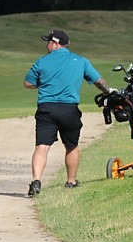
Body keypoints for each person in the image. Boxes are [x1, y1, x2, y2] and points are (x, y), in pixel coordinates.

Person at [23, 30, 115, 197]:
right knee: (71, 145)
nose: (46, 45)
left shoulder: (41, 61)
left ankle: (36, 181)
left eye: (48, 42)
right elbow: (99, 81)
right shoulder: (80, 61)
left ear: (56, 43)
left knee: (42, 146)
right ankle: (71, 181)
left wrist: (43, 84)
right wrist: (108, 92)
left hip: (46, 108)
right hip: (69, 109)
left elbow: (28, 83)